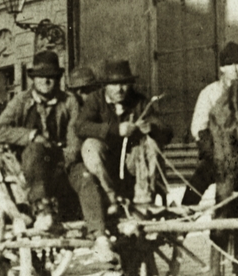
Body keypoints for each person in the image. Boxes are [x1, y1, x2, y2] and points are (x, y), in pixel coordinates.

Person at [71, 59, 172, 260]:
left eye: (124, 84)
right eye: (114, 84)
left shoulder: (139, 101)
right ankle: (110, 199)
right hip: (105, 164)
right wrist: (114, 130)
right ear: (105, 86)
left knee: (150, 144)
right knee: (90, 146)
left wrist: (151, 127)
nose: (120, 89)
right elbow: (80, 126)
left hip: (130, 165)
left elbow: (166, 131)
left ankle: (144, 200)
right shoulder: (95, 100)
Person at [185, 42, 238, 276]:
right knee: (196, 186)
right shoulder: (210, 93)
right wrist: (216, 152)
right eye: (229, 64)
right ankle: (180, 226)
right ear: (221, 68)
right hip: (215, 156)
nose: (235, 69)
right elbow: (198, 128)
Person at [0, 51, 78, 234]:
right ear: (33, 79)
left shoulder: (69, 102)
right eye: (40, 77)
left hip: (58, 164)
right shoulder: (21, 100)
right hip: (28, 166)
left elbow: (74, 141)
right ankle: (42, 210)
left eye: (51, 77)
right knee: (35, 149)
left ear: (58, 78)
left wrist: (65, 161)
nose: (45, 82)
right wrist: (30, 135)